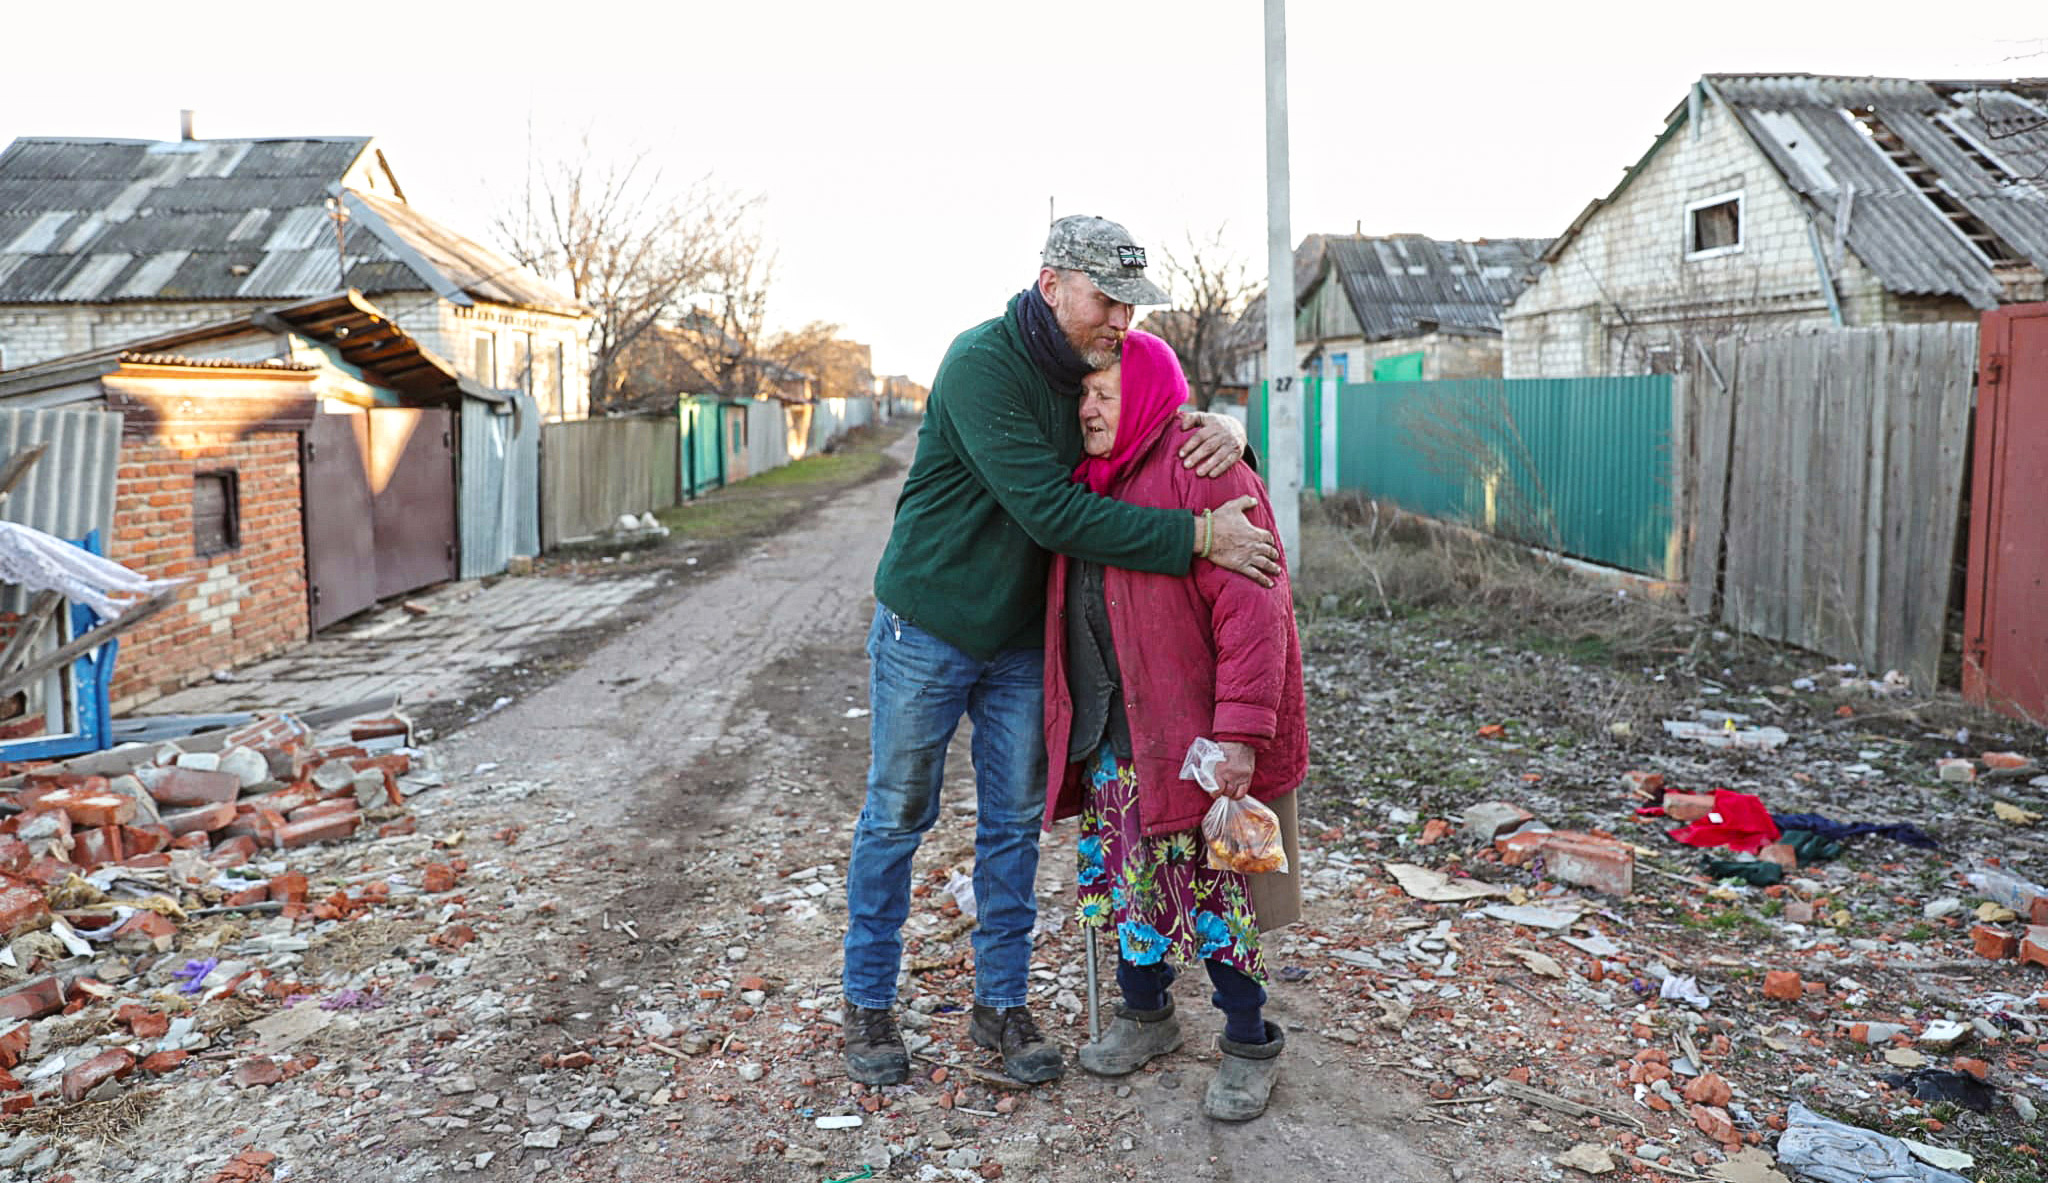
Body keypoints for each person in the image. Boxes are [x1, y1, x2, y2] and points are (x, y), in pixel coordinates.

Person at [843, 216, 1284, 1088]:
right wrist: (1199, 534)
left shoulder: (1095, 367)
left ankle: (1000, 1006)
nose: (1122, 320)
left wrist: (1232, 432)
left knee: (1011, 825)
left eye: (1132, 305)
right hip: (929, 625)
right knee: (898, 813)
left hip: (1017, 643)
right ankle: (867, 1002)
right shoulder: (983, 365)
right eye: (1107, 300)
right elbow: (1055, 513)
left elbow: (1160, 427)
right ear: (1052, 285)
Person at [1041, 330, 1307, 1122]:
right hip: (1114, 737)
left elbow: (1256, 614)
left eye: (1104, 395)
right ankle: (1145, 1013)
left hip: (1193, 741)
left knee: (1220, 892)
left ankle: (1249, 1041)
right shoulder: (1083, 481)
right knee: (1132, 885)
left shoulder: (1203, 466)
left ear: (1149, 398)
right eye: (1083, 394)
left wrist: (1240, 733)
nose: (1086, 407)